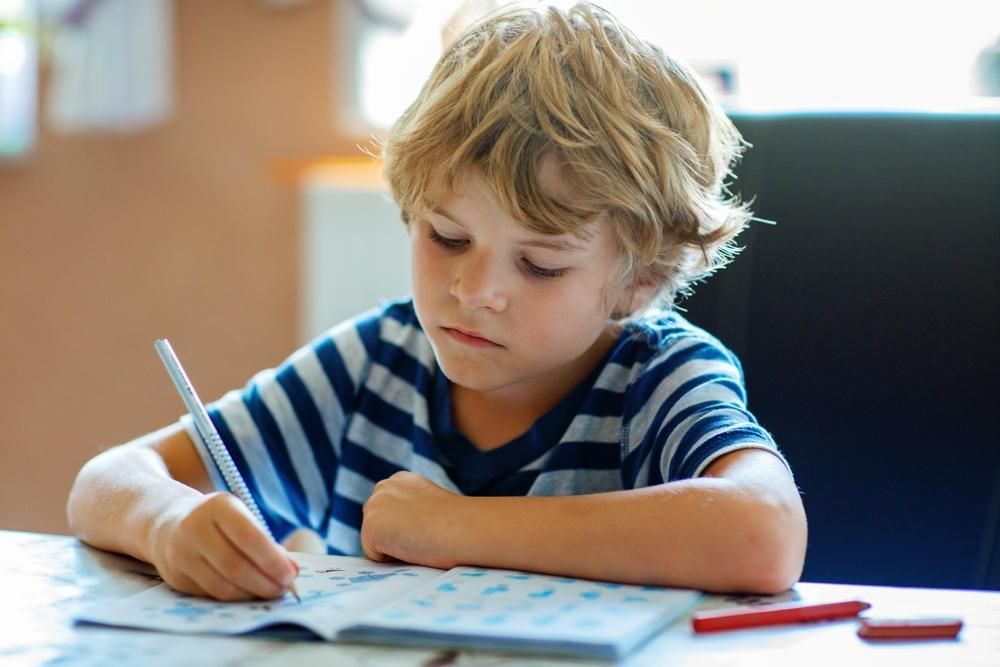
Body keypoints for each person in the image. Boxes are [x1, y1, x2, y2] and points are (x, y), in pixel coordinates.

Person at [67, 2, 807, 602]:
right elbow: (104, 483)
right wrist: (169, 522)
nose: (476, 292)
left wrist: (459, 527)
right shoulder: (371, 367)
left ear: (638, 281)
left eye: (542, 265)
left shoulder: (657, 381)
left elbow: (765, 532)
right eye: (448, 237)